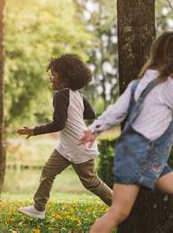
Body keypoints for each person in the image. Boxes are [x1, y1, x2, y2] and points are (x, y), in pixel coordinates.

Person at [79, 31, 173, 232]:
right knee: (119, 212)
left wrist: (94, 129)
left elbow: (116, 112)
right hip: (143, 157)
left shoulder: (138, 85)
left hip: (143, 158)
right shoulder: (168, 85)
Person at [17, 54, 112, 219]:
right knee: (48, 172)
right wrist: (74, 114)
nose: (51, 78)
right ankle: (39, 208)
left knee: (91, 182)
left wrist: (34, 131)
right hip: (67, 146)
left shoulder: (61, 95)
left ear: (65, 79)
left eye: (53, 75)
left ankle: (121, 207)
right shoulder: (78, 95)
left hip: (78, 146)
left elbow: (58, 124)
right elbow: (91, 113)